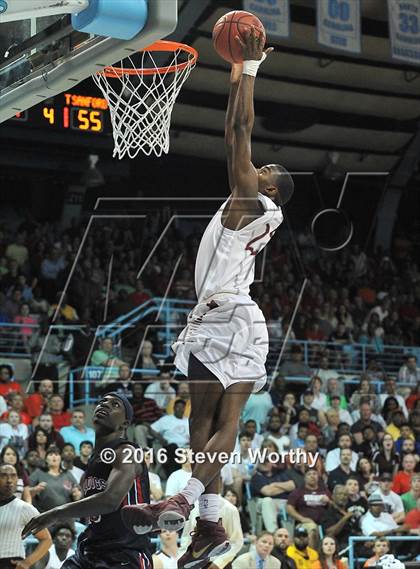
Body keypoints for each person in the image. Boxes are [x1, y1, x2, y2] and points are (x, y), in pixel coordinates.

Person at [120, 30, 294, 569]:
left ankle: (184, 501)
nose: (256, 165)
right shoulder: (253, 204)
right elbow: (235, 135)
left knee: (226, 424)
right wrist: (242, 70)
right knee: (200, 429)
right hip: (212, 318)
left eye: (264, 168)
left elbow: (238, 131)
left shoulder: (254, 199)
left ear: (271, 187)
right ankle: (211, 525)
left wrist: (248, 68)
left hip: (235, 316)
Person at [21, 392, 153, 569]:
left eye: (115, 405)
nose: (105, 405)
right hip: (91, 550)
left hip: (124, 552)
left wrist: (54, 514)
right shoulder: (94, 460)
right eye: (102, 401)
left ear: (125, 423)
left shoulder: (127, 452)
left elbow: (110, 501)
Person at [0, 463, 52, 569]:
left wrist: (27, 562)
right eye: (4, 475)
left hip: (11, 563)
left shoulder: (25, 508)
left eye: (13, 476)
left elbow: (46, 540)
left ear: (18, 480)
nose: (9, 480)